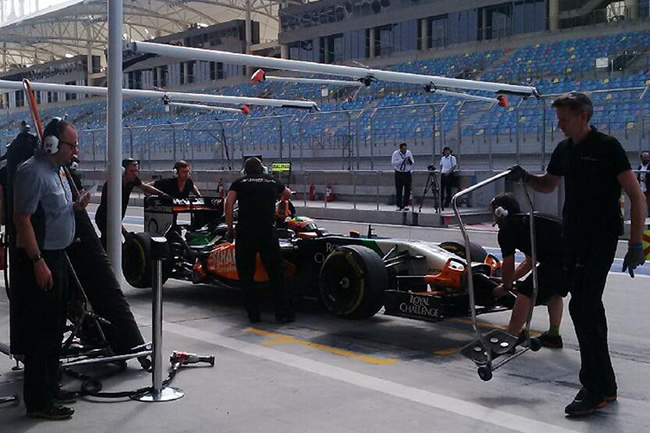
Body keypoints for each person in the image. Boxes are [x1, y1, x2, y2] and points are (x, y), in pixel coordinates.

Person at [508, 91, 646, 417]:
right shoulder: (564, 150)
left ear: (583, 116)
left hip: (601, 237)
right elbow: (549, 184)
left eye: (564, 118)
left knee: (583, 306)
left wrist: (636, 243)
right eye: (558, 118)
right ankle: (606, 385)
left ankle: (594, 388)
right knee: (588, 308)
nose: (559, 124)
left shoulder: (607, 147)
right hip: (573, 237)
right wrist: (526, 178)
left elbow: (637, 197)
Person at [13, 118, 89, 420]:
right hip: (40, 260)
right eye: (71, 144)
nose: (75, 150)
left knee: (55, 328)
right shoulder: (32, 172)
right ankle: (38, 401)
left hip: (57, 257)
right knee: (40, 333)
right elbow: (23, 220)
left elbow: (53, 211)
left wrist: (75, 207)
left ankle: (50, 385)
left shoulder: (57, 172)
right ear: (53, 144)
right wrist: (38, 262)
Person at [490, 193, 568, 348]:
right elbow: (529, 262)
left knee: (525, 292)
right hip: (574, 257)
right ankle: (553, 335)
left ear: (500, 212)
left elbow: (508, 264)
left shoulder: (507, 230)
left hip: (559, 259)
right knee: (554, 292)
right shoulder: (525, 222)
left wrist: (505, 287)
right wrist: (509, 280)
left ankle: (509, 339)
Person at [225, 157, 294, 324]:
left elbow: (229, 203)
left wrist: (230, 228)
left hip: (245, 232)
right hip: (267, 233)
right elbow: (288, 194)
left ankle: (253, 314)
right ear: (262, 168)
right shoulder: (271, 180)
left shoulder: (239, 182)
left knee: (246, 275)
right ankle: (282, 313)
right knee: (276, 273)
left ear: (245, 170)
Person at [94, 158, 167, 250]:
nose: (135, 173)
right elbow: (112, 214)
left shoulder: (132, 180)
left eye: (136, 171)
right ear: (123, 171)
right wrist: (124, 232)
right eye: (132, 171)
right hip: (105, 218)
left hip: (117, 218)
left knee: (112, 245)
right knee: (113, 245)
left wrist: (162, 194)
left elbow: (144, 186)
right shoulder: (112, 185)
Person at [391, 142, 414, 211]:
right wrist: (402, 161)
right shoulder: (396, 154)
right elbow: (393, 163)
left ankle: (405, 204)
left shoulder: (408, 153)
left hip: (407, 172)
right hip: (399, 173)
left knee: (407, 189)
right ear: (400, 149)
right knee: (399, 189)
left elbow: (412, 161)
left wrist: (409, 161)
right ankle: (399, 205)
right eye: (403, 149)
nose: (404, 150)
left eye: (405, 149)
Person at [637, 150, 649, 216]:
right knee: (641, 206)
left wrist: (646, 179)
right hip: (641, 188)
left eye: (647, 157)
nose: (646, 159)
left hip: (648, 189)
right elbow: (638, 177)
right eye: (645, 158)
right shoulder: (640, 166)